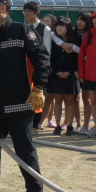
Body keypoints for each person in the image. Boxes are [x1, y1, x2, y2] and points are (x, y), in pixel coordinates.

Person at [0, 0, 49, 192]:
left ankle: (35, 190)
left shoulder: (22, 30)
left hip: (20, 106)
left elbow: (42, 59)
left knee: (25, 153)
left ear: (3, 8)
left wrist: (39, 88)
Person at [45, 17, 80, 136]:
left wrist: (70, 71)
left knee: (70, 101)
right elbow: (51, 58)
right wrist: (57, 71)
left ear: (68, 27)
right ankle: (58, 126)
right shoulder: (53, 40)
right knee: (58, 100)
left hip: (71, 75)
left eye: (62, 26)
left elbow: (77, 59)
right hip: (57, 74)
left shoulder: (74, 40)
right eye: (58, 26)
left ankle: (69, 125)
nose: (59, 28)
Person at [22, 2, 52, 135]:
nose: (26, 13)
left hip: (38, 68)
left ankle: (36, 124)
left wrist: (42, 67)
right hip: (26, 68)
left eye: (29, 11)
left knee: (39, 95)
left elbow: (47, 51)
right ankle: (27, 123)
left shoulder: (44, 29)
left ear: (36, 13)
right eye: (25, 11)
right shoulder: (24, 27)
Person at [78, 10, 96, 138]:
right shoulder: (88, 35)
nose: (95, 21)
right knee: (93, 102)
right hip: (90, 75)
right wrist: (82, 74)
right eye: (94, 19)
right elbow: (81, 56)